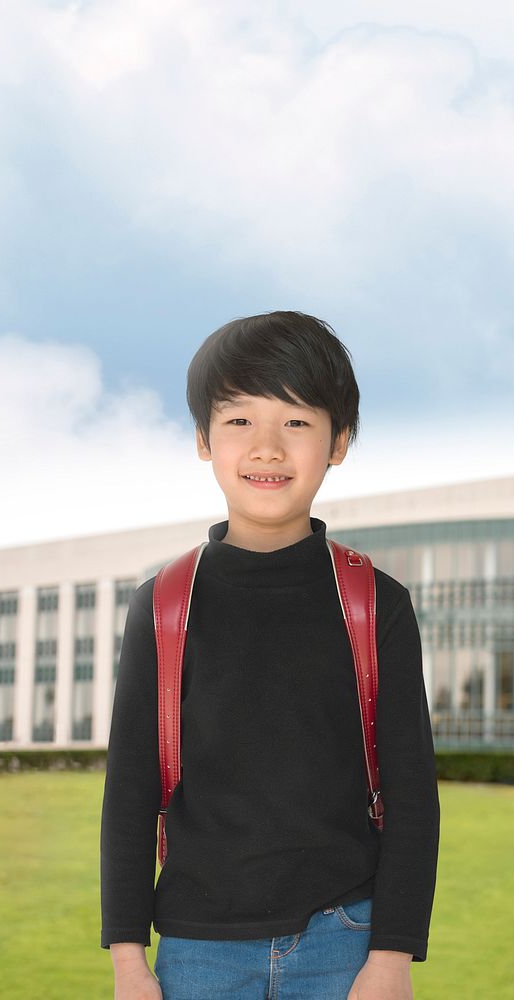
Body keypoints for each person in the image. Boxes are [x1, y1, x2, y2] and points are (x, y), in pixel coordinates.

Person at [100, 310, 440, 1000]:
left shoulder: (376, 603)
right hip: (197, 948)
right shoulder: (164, 605)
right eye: (238, 421)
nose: (266, 448)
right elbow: (130, 794)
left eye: (296, 422)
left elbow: (411, 794)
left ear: (337, 442)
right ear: (203, 440)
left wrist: (393, 955)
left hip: (346, 939)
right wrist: (129, 962)